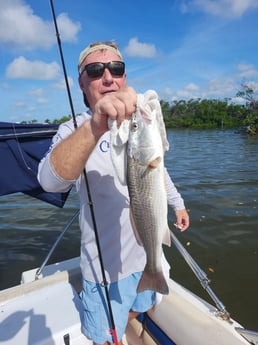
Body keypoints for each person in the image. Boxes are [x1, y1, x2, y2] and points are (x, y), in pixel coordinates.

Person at [37, 41, 189, 345]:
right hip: (103, 269)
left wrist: (178, 205)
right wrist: (97, 124)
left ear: (124, 76)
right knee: (106, 337)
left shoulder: (139, 120)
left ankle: (124, 319)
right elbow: (48, 182)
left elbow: (157, 172)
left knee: (138, 307)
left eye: (116, 68)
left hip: (147, 253)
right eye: (95, 70)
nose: (108, 76)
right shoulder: (74, 129)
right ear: (81, 83)